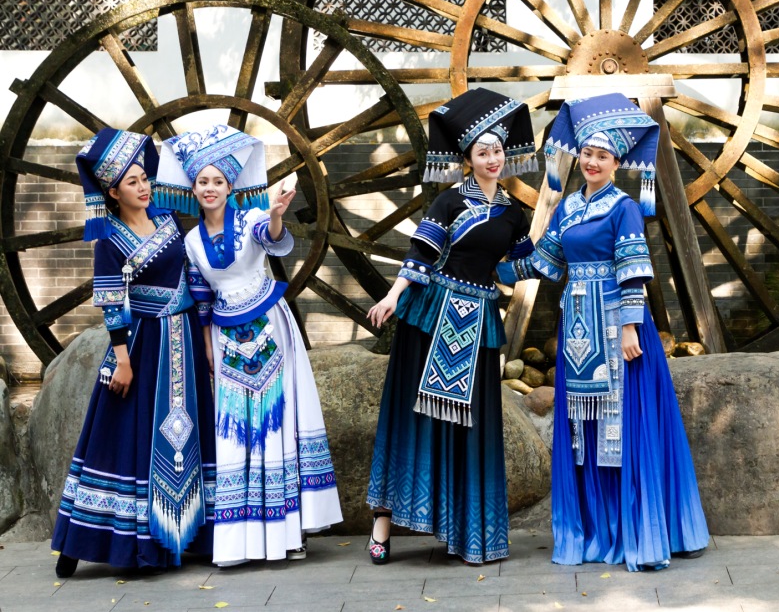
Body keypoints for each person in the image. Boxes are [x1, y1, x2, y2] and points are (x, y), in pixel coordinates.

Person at [497, 93, 710, 572]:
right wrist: (492, 264)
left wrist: (632, 327)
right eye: (587, 154)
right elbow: (545, 262)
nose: (592, 162)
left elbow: (633, 270)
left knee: (623, 428)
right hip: (577, 329)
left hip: (618, 327)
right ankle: (596, 530)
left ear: (617, 163)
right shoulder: (569, 206)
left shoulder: (624, 208)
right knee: (583, 432)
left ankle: (635, 530)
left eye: (603, 156)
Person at [155, 124, 342, 566]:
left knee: (278, 425)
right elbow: (201, 298)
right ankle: (241, 540)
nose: (210, 188)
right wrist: (207, 348)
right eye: (203, 182)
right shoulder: (191, 242)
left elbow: (272, 240)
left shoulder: (252, 218)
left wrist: (276, 214)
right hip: (226, 340)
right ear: (193, 189)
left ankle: (288, 533)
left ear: (230, 187)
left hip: (270, 327)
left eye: (218, 181)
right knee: (236, 431)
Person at [365, 87, 537, 565]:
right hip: (430, 319)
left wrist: (562, 243)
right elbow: (420, 254)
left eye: (498, 150)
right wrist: (393, 295)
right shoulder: (448, 202)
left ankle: (467, 530)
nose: (493, 159)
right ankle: (383, 523)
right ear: (467, 159)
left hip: (478, 322)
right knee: (413, 420)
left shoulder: (513, 212)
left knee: (470, 428)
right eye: (483, 152)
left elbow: (516, 269)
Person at [53, 129, 216, 578]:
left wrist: (205, 338)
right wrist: (122, 360)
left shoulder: (168, 219)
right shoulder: (109, 239)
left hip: (184, 338)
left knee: (185, 432)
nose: (144, 187)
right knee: (120, 439)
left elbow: (192, 276)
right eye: (132, 182)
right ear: (112, 192)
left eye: (145, 178)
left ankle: (184, 535)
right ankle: (86, 541)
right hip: (142, 349)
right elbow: (110, 302)